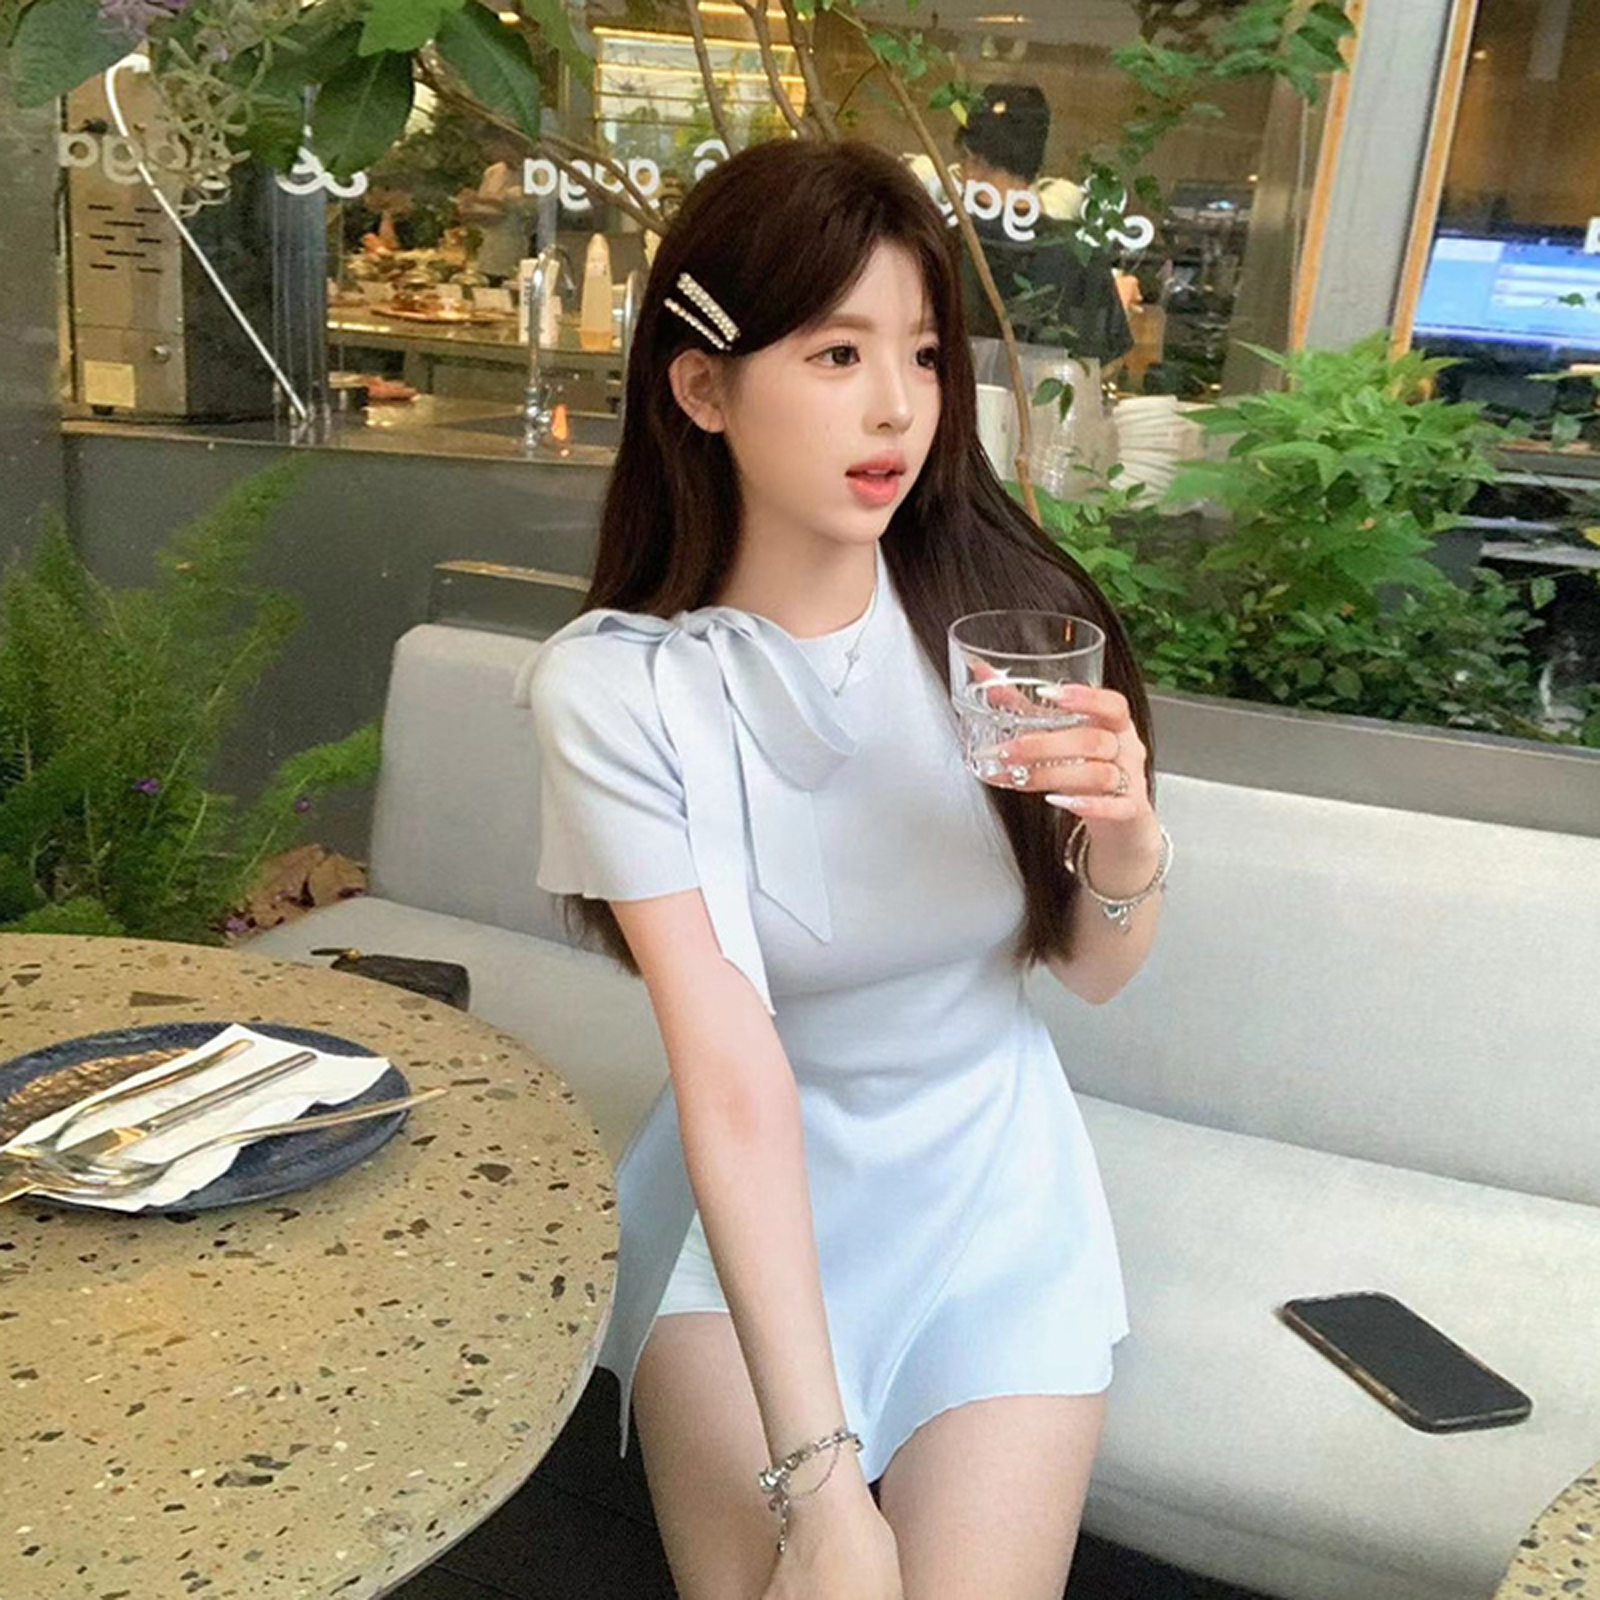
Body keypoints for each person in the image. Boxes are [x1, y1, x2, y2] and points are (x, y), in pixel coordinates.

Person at [517, 139, 1170, 1600]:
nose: (898, 407)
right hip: (758, 1200)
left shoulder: (1009, 631)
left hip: (995, 1185)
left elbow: (1093, 970)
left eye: (924, 355)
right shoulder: (617, 693)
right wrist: (821, 1490)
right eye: (835, 354)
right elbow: (731, 1069)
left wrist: (1127, 838)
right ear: (703, 390)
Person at [955, 82, 1135, 365]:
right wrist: (1118, 303)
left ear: (970, 157)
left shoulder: (943, 244)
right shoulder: (1078, 253)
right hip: (1043, 395)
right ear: (1036, 165)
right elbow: (1095, 368)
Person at [454, 133, 539, 282]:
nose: (489, 150)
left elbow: (531, 210)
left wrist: (486, 200)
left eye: (494, 146)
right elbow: (485, 210)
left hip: (517, 248)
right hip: (488, 249)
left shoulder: (536, 173)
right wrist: (469, 209)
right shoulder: (492, 172)